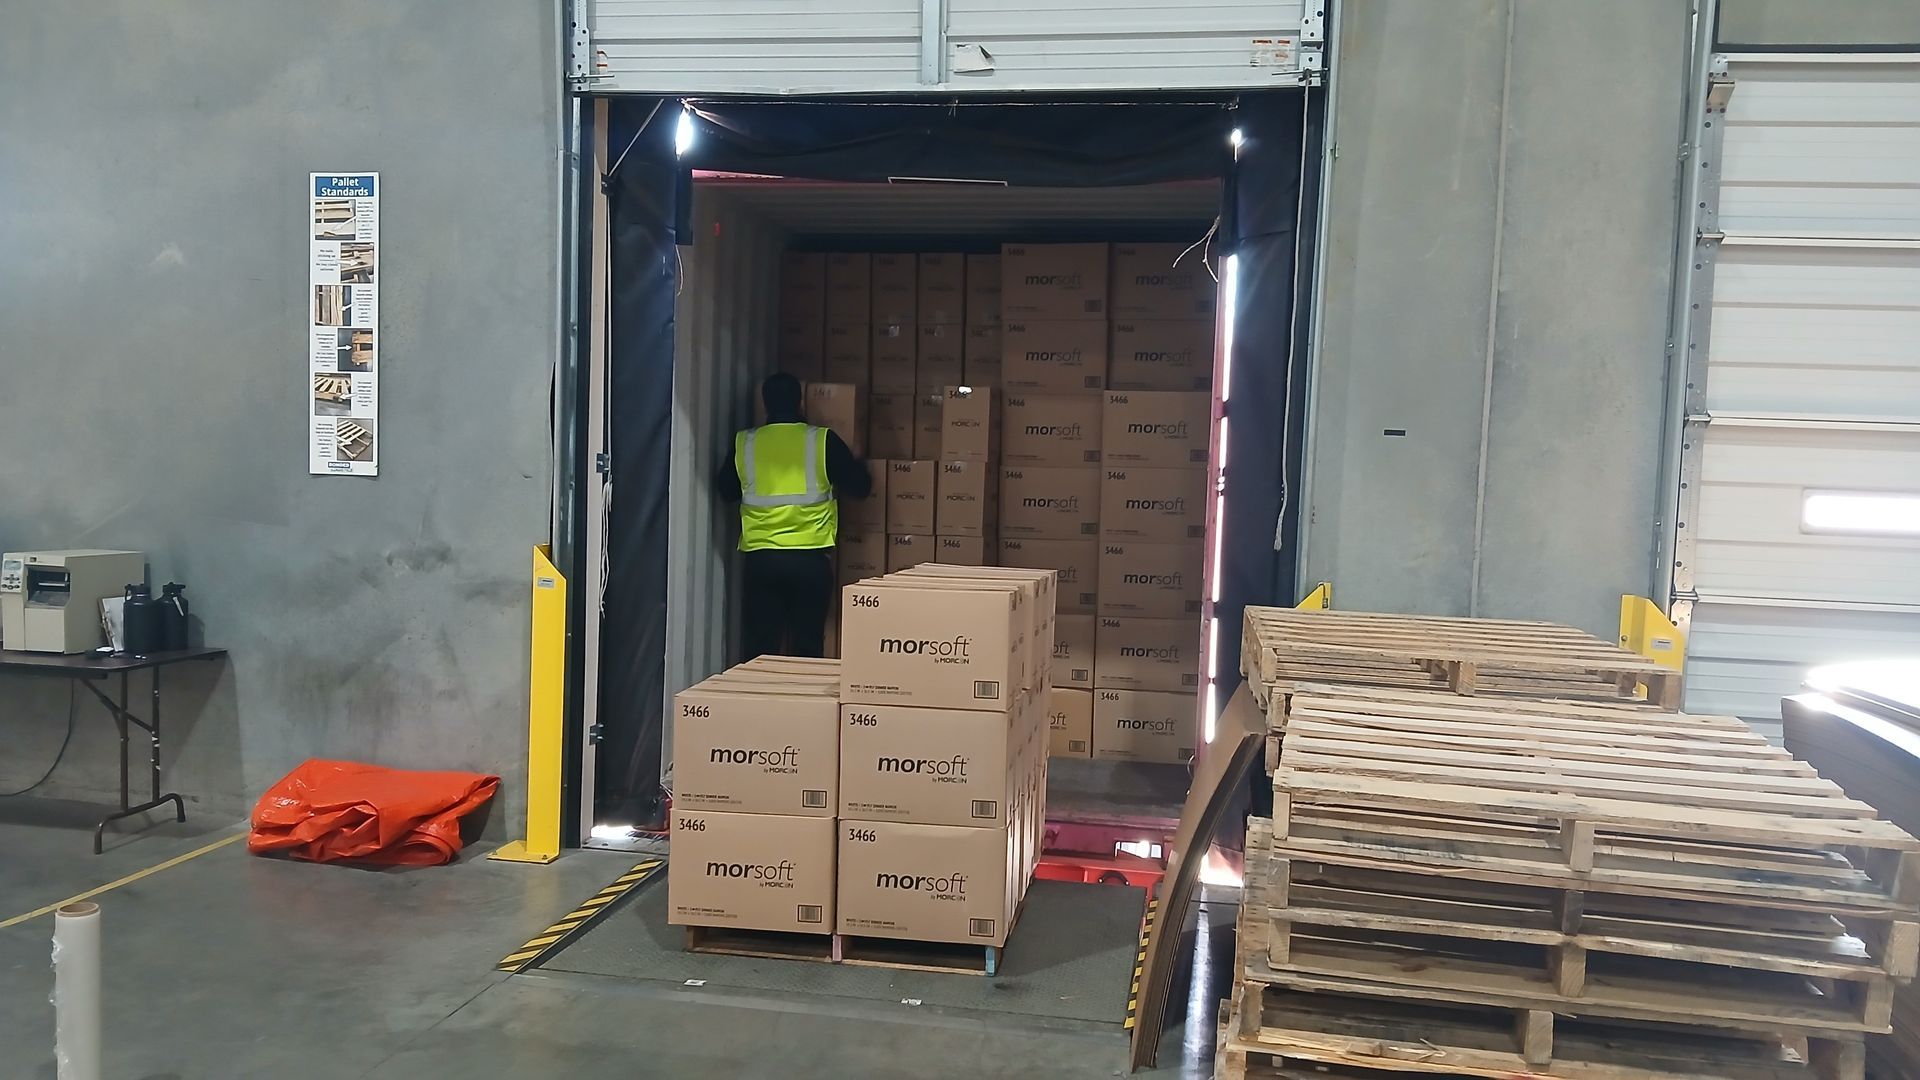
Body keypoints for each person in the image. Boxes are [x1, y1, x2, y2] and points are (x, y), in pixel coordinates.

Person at [717, 372, 872, 658]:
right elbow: (861, 487)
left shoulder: (745, 443)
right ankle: (802, 701)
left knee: (759, 649)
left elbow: (725, 491)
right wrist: (857, 458)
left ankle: (754, 700)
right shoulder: (822, 441)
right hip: (810, 561)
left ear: (765, 405)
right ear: (800, 402)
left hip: (762, 561)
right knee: (807, 646)